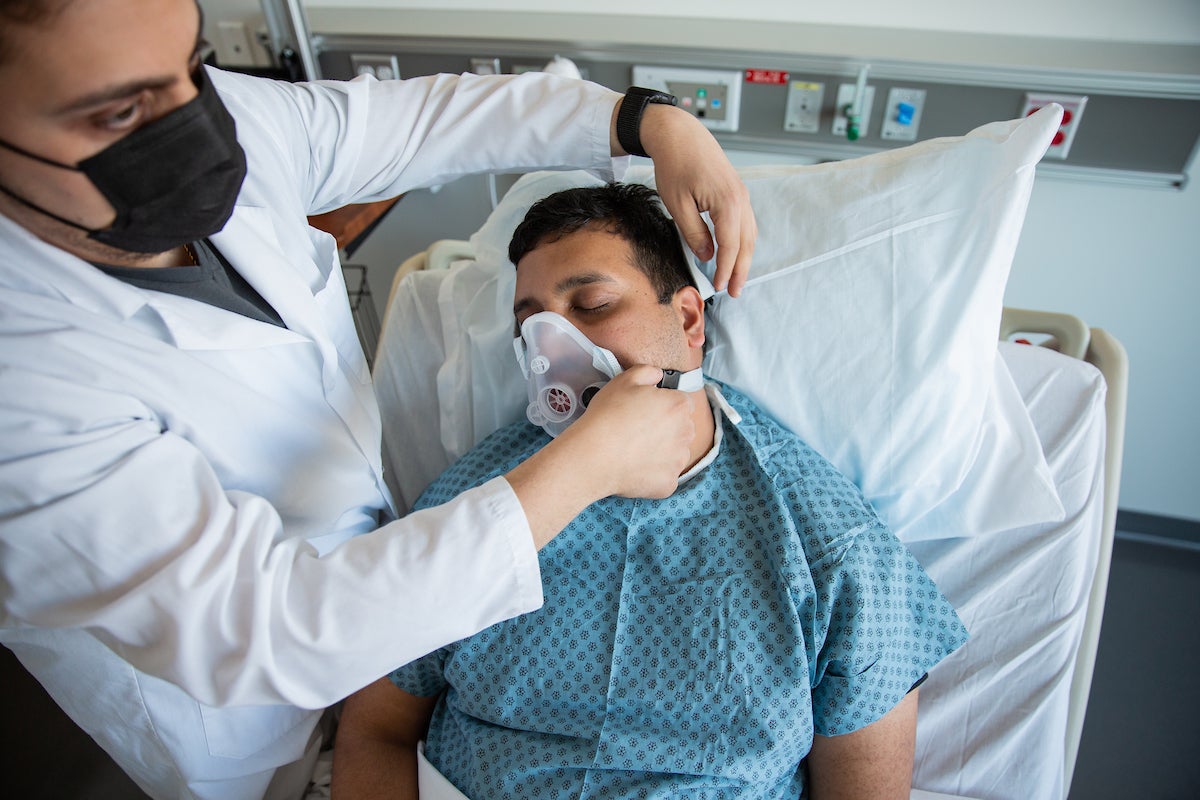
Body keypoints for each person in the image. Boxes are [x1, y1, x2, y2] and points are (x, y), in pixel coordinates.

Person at [0, 1, 759, 798]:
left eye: (191, 66)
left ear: (690, 315)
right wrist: (587, 464)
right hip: (247, 716)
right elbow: (268, 630)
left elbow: (433, 120)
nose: (198, 127)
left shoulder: (230, 119)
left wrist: (646, 121)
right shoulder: (23, 379)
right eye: (122, 111)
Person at [331, 183, 970, 800]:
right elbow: (374, 729)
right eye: (533, 327)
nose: (556, 351)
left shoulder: (828, 545)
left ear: (689, 318)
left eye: (593, 306)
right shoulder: (472, 505)